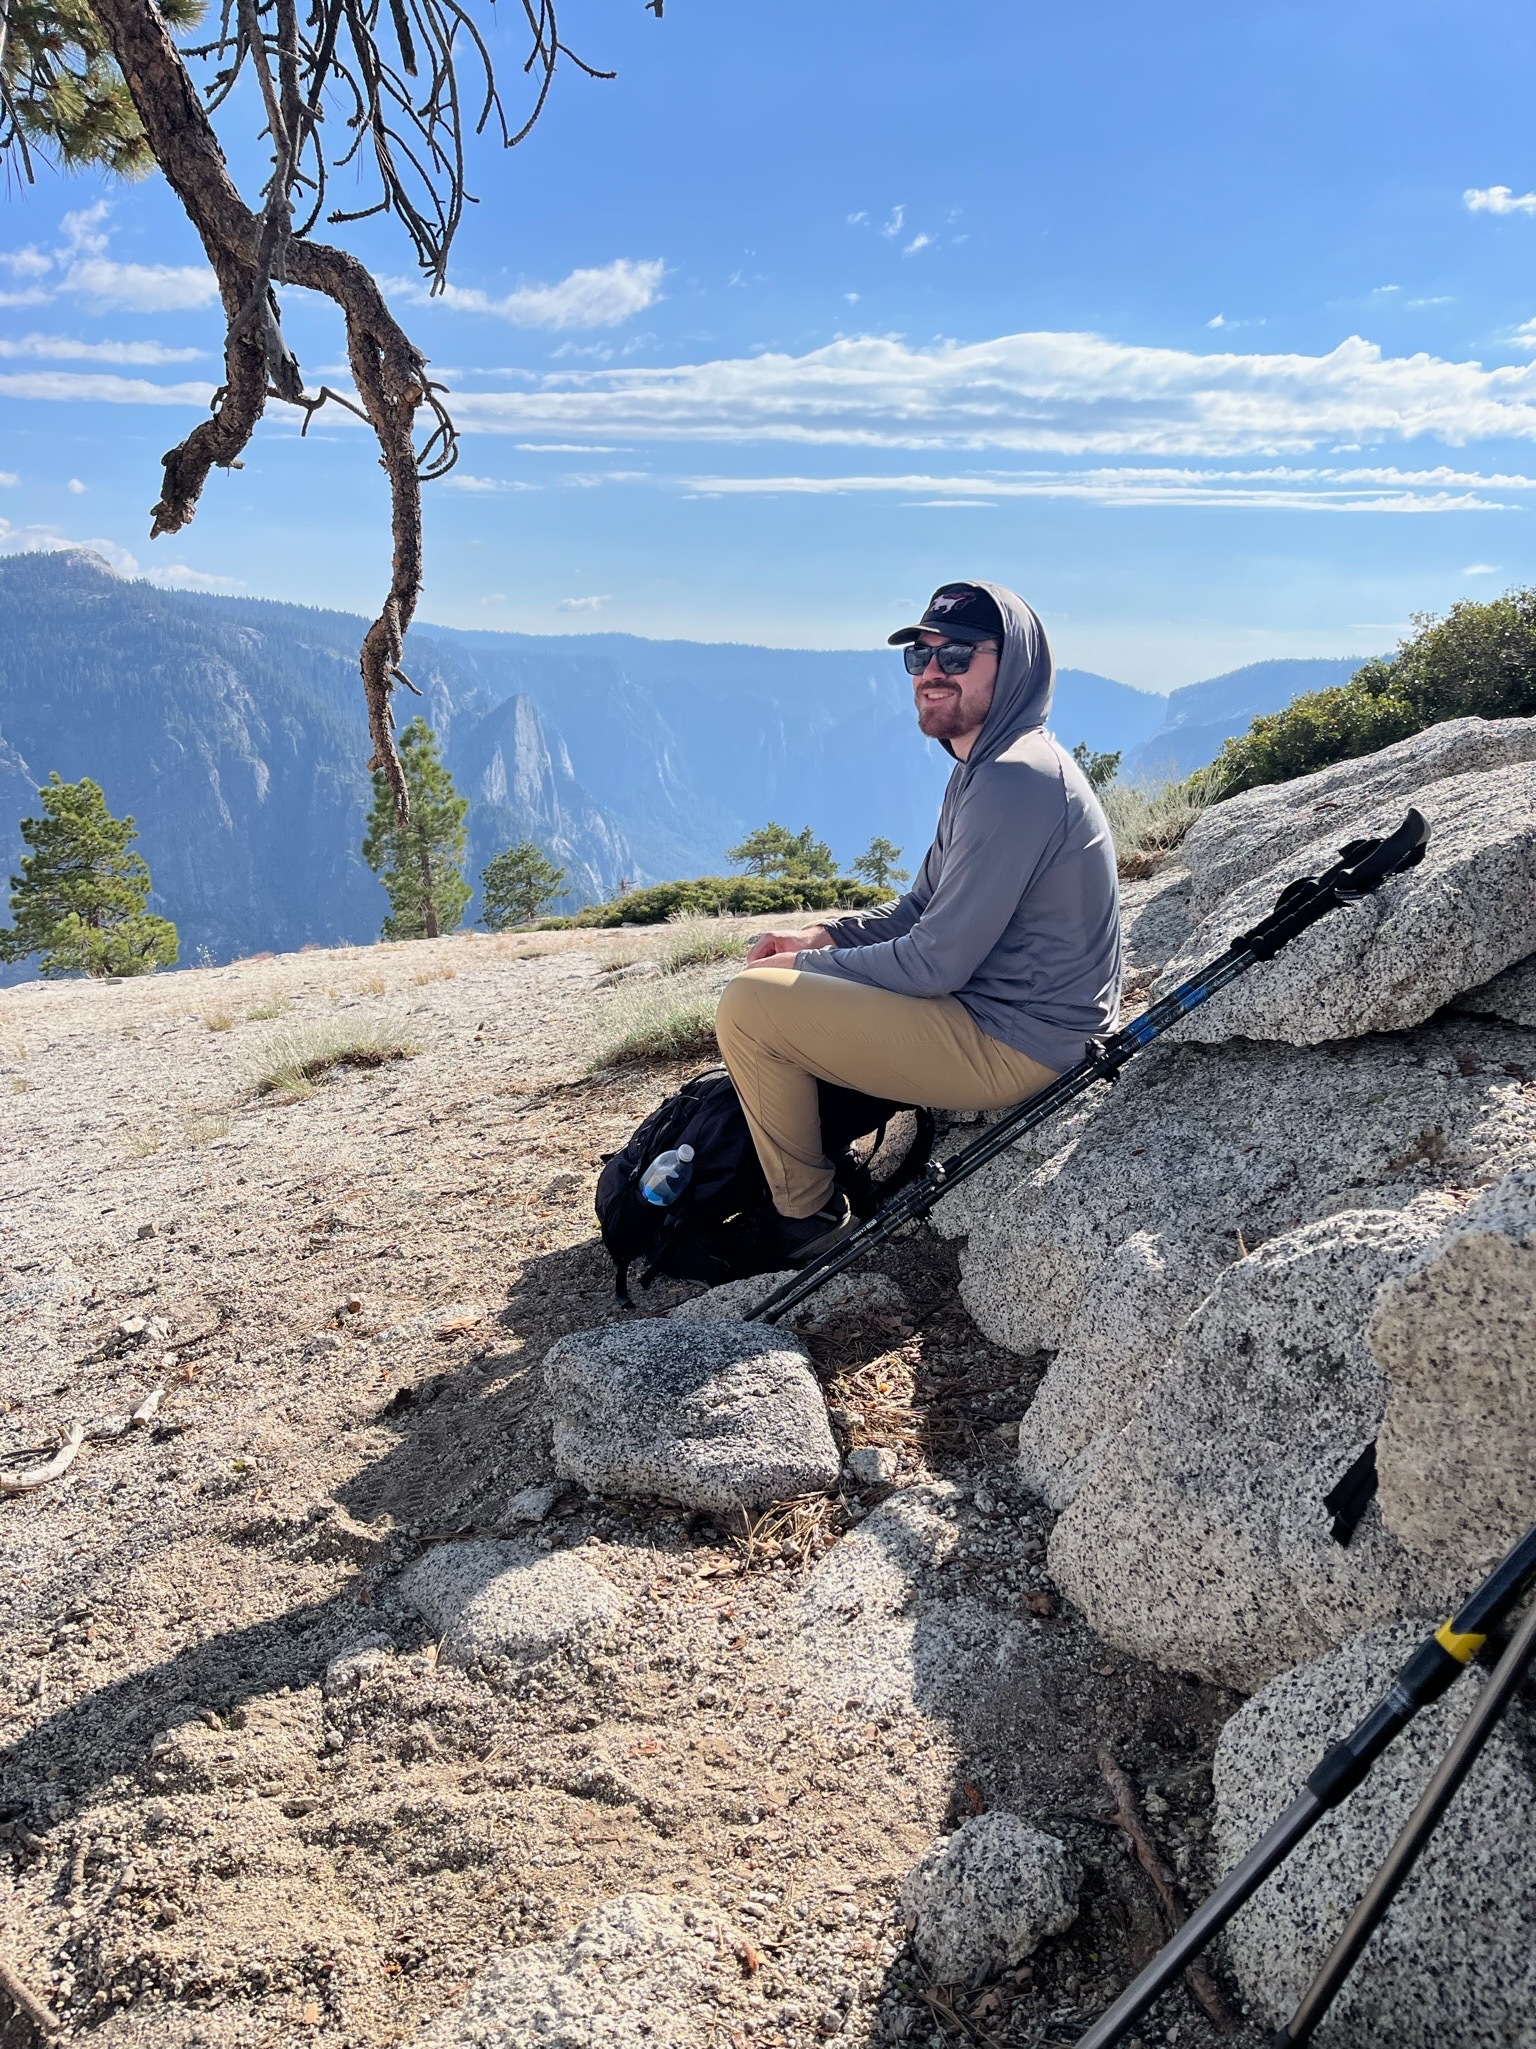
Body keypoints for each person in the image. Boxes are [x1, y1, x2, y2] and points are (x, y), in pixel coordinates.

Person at [714, 579, 1121, 1265]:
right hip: (1005, 1020)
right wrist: (821, 937)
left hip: (1018, 1046)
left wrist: (801, 971)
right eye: (919, 656)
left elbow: (934, 961)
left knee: (752, 1007)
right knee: (778, 988)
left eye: (957, 655)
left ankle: (804, 1217)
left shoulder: (1014, 778)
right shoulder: (984, 766)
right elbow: (916, 910)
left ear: (1013, 662)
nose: (932, 672)